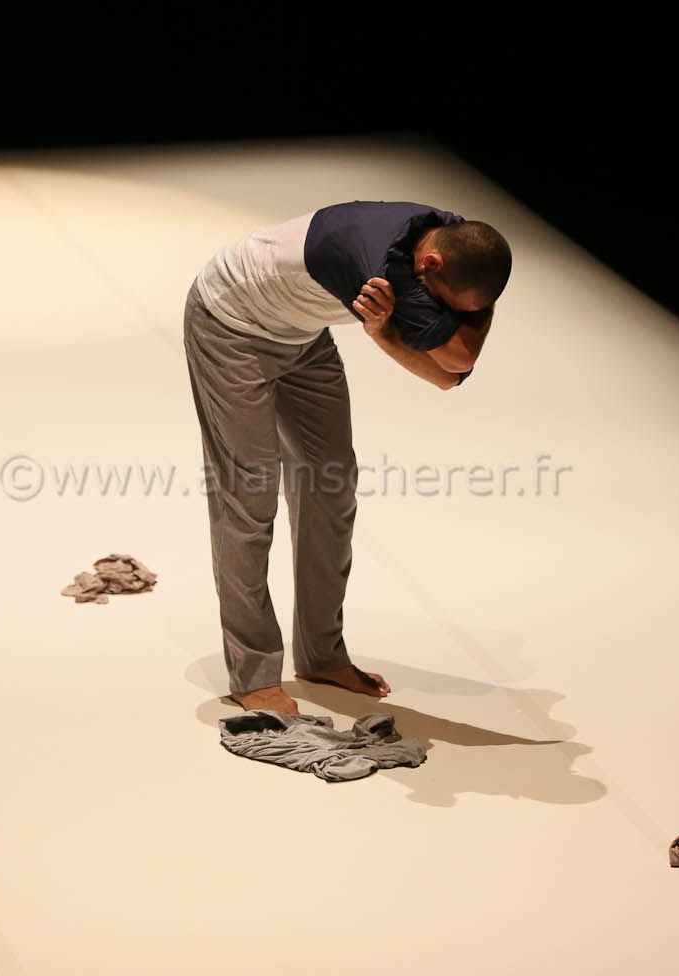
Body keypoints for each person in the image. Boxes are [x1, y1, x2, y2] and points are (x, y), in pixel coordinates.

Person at [181, 200, 511, 714]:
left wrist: (414, 322)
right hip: (230, 326)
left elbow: (457, 361)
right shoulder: (382, 272)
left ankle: (321, 655)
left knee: (331, 487)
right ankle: (252, 675)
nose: (461, 312)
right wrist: (389, 330)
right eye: (451, 303)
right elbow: (453, 368)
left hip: (301, 334)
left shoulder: (450, 233)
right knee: (249, 500)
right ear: (431, 266)